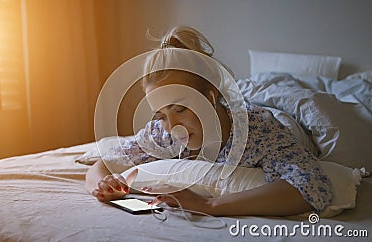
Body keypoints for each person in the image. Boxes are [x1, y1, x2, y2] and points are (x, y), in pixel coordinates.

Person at [85, 26, 332, 216]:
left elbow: (311, 188)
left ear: (210, 97)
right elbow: (102, 165)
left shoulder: (258, 130)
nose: (172, 127)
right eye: (161, 115)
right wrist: (104, 186)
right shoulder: (161, 133)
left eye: (180, 109)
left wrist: (208, 204)